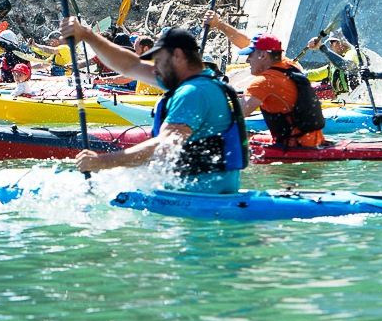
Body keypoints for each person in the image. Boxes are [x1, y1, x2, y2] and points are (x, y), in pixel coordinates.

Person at [58, 20, 249, 193]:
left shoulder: (193, 92)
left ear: (178, 55)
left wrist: (102, 161)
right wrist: (87, 35)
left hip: (200, 192)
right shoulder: (193, 82)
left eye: (158, 60)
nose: (155, 67)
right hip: (200, 186)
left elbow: (165, 145)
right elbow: (130, 66)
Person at [238, 33, 327, 148]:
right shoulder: (290, 66)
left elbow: (235, 116)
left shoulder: (263, 83)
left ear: (263, 55)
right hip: (315, 142)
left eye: (250, 55)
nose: (247, 60)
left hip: (295, 147)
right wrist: (219, 24)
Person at [304, 28, 360, 97]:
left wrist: (322, 47)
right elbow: (317, 74)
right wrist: (294, 73)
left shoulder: (353, 53)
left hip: (361, 101)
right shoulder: (333, 65)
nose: (330, 46)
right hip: (346, 102)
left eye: (331, 42)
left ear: (340, 42)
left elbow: (344, 65)